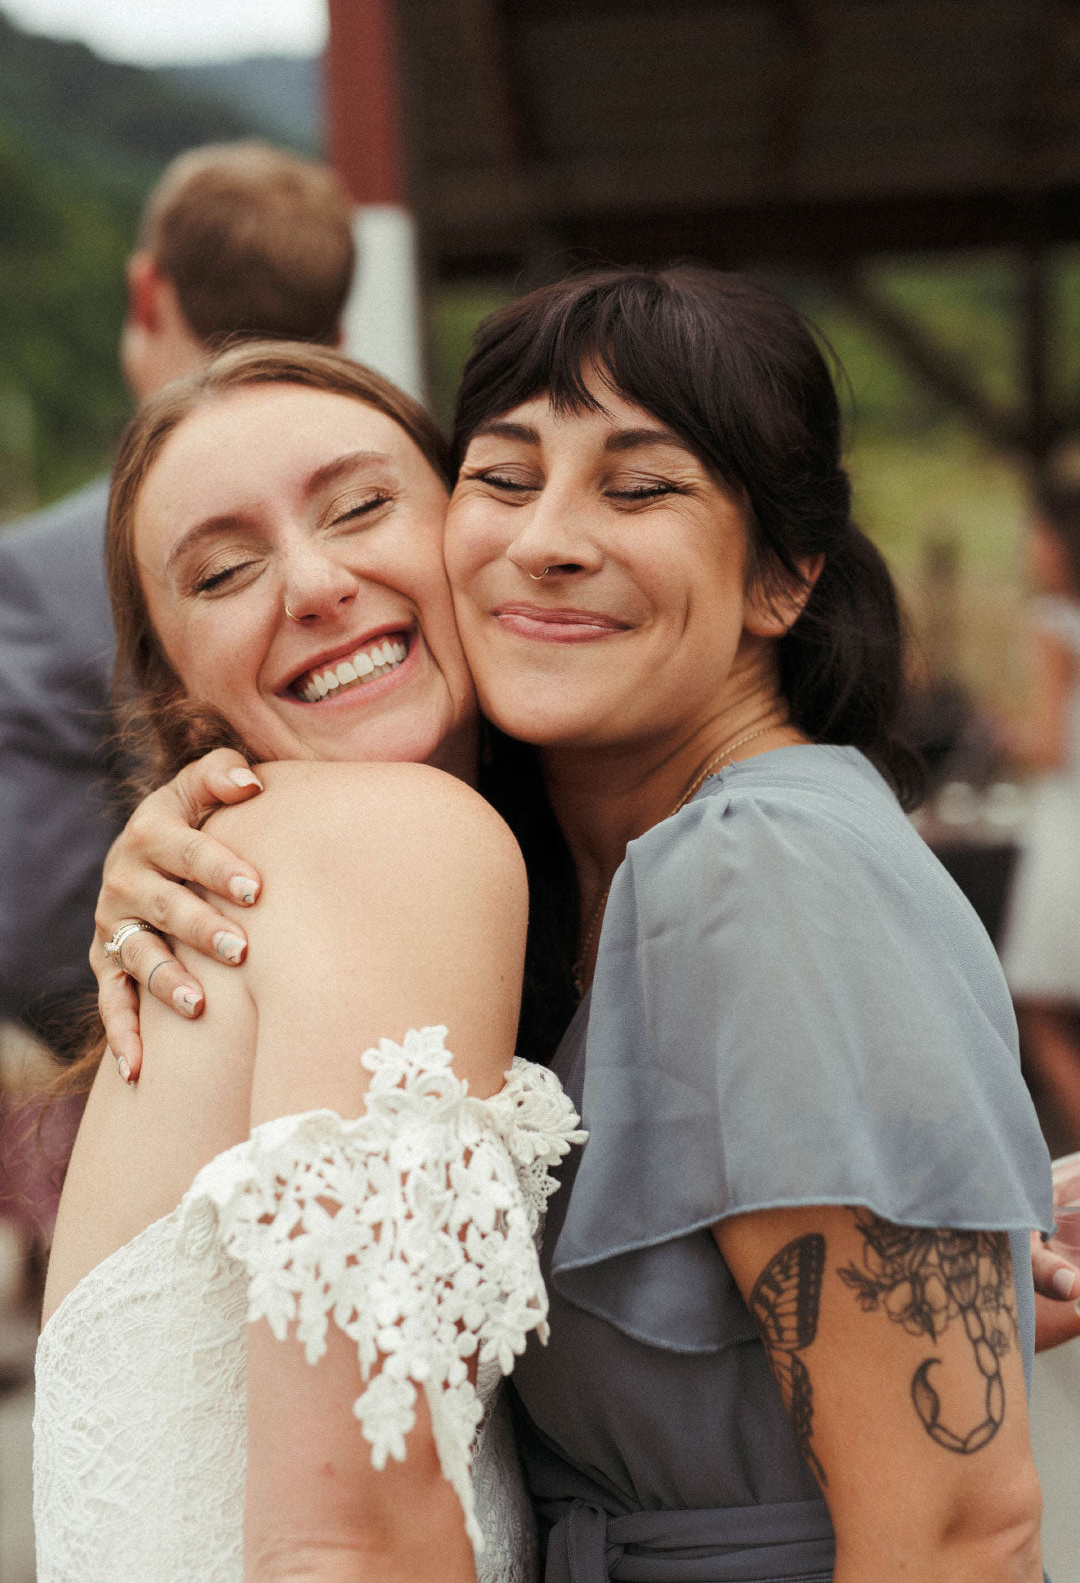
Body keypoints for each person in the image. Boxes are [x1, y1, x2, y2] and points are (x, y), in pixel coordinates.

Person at [93, 270, 1056, 1580]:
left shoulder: (755, 866)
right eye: (503, 478)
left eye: (641, 485)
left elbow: (959, 1532)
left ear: (782, 578)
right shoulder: (543, 903)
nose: (547, 538)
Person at [34, 342, 583, 1582]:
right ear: (178, 695)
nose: (318, 583)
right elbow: (349, 1543)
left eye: (362, 507)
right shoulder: (391, 839)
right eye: (225, 571)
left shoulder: (383, 877)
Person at [0, 140, 355, 1043]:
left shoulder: (41, 575)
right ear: (340, 330)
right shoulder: (431, 507)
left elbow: (37, 931)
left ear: (146, 292)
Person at [1000, 484, 1080, 1146]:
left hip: (1066, 830)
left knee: (1035, 1006)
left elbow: (1049, 746)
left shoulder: (1054, 622)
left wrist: (1006, 735)